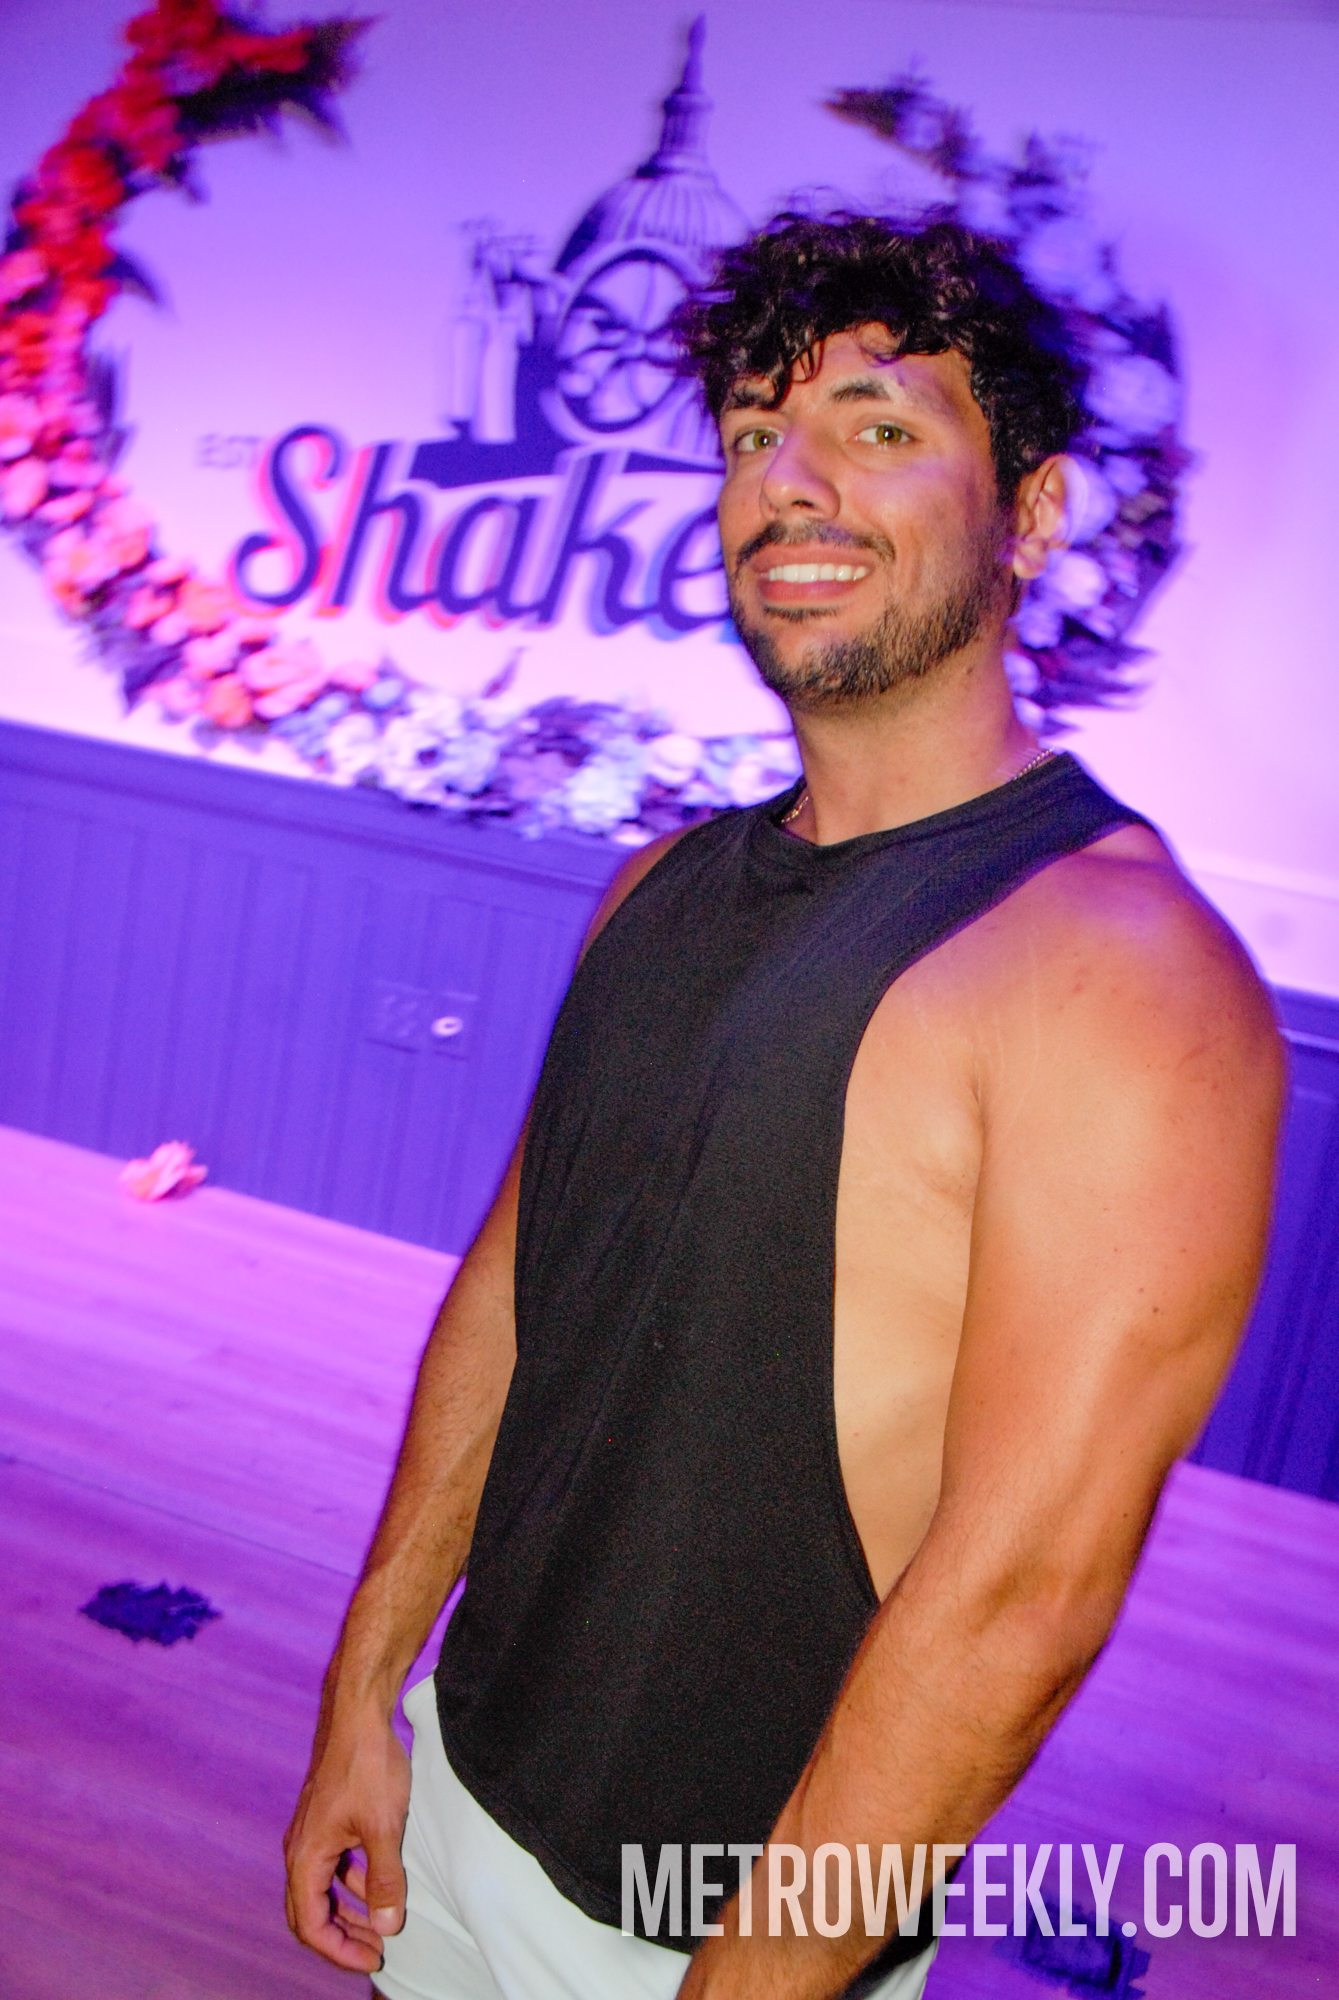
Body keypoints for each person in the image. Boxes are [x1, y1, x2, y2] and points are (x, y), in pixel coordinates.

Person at [284, 216, 1283, 2000]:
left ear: (1033, 510)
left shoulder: (1123, 979)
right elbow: (513, 1302)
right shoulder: (658, 885)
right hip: (458, 1797)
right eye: (755, 434)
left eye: (880, 426)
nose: (791, 483)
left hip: (721, 1937)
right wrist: (368, 1688)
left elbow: (1019, 1604)